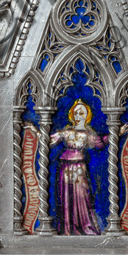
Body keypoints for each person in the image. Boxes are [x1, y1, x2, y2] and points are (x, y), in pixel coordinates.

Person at [50, 100, 108, 235]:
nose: (78, 115)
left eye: (82, 112)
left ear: (87, 114)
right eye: (76, 112)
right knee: (66, 196)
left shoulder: (89, 133)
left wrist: (117, 133)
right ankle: (67, 229)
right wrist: (34, 131)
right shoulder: (67, 131)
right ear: (72, 115)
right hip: (65, 168)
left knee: (82, 196)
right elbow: (50, 140)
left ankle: (85, 226)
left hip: (80, 169)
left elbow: (100, 143)